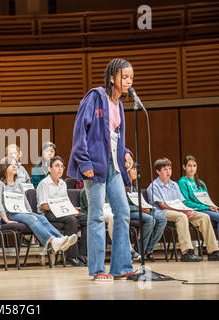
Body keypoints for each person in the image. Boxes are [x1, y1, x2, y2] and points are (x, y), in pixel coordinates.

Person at [67, 58, 135, 281]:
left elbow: (117, 138)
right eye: (124, 77)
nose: (128, 82)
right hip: (95, 164)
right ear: (112, 77)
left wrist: (126, 154)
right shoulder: (95, 97)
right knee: (96, 216)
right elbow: (79, 132)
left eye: (131, 78)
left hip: (114, 164)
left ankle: (121, 266)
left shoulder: (120, 104)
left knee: (123, 212)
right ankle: (97, 269)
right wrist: (84, 163)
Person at [0, 156, 77, 254]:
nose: (15, 166)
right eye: (11, 164)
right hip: (9, 214)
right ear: (4, 167)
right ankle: (52, 241)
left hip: (23, 213)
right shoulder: (0, 183)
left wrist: (30, 213)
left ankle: (61, 240)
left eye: (16, 164)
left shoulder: (19, 184)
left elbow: (25, 202)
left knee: (41, 218)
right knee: (32, 219)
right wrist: (5, 219)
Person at [147, 158, 219, 262]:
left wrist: (187, 210)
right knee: (181, 217)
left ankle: (213, 251)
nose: (168, 172)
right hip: (162, 212)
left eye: (169, 169)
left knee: (204, 217)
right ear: (158, 171)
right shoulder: (154, 186)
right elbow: (162, 205)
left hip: (179, 210)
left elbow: (182, 202)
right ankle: (187, 252)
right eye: (165, 169)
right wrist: (182, 212)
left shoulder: (174, 185)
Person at [36, 156, 86, 266]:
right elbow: (44, 205)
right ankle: (71, 256)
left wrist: (72, 209)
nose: (60, 169)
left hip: (63, 211)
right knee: (71, 220)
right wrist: (64, 210)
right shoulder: (44, 183)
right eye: (57, 166)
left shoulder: (63, 183)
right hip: (48, 214)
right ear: (49, 169)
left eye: (62, 166)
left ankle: (82, 253)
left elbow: (65, 201)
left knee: (85, 218)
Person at [127, 163, 167, 262]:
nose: (136, 171)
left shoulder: (134, 186)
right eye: (133, 169)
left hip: (139, 210)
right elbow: (123, 206)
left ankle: (149, 250)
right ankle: (139, 250)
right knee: (150, 220)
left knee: (162, 219)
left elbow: (140, 202)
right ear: (127, 171)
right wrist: (140, 209)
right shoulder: (123, 186)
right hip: (129, 212)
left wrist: (147, 207)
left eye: (137, 169)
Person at [178, 155, 219, 247]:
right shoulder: (182, 182)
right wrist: (207, 207)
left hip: (207, 208)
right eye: (189, 166)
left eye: (194, 165)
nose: (192, 168)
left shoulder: (201, 183)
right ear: (184, 167)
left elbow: (207, 201)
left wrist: (212, 206)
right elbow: (186, 202)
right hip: (198, 210)